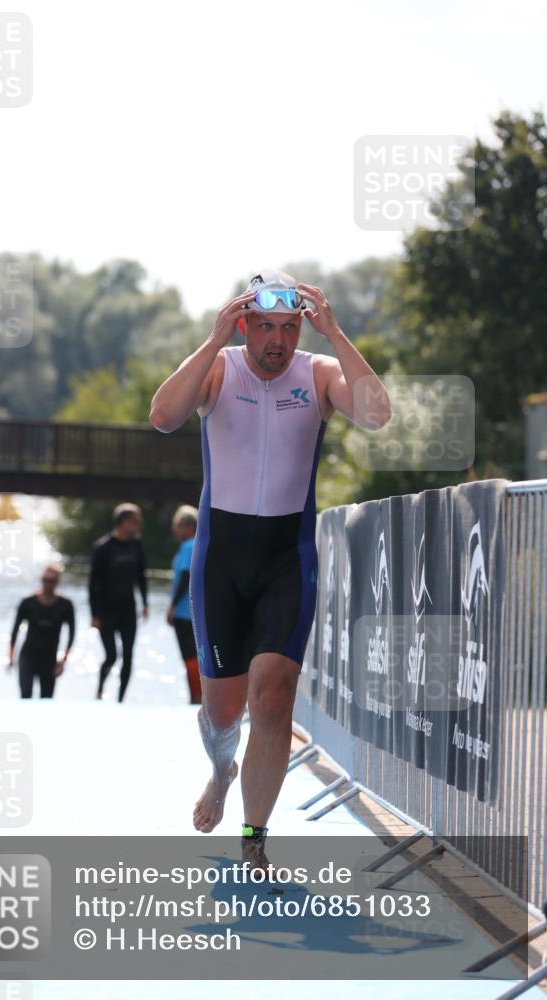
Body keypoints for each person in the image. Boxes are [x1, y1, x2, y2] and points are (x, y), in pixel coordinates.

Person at [150, 268, 391, 866]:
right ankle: (221, 769)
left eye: (289, 326)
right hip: (221, 560)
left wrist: (334, 334)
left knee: (274, 691)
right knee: (223, 710)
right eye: (265, 327)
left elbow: (378, 415)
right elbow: (162, 416)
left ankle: (254, 836)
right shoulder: (220, 367)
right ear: (245, 325)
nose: (278, 340)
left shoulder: (318, 373)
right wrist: (211, 341)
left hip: (288, 555)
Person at [89, 502, 149, 702]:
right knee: (112, 656)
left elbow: (141, 576)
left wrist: (145, 603)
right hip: (106, 610)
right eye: (135, 521)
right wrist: (94, 614)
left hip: (128, 609)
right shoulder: (104, 546)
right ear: (123, 522)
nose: (138, 525)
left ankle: (120, 699)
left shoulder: (137, 545)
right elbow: (93, 583)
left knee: (129, 655)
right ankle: (99, 690)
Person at [8, 564, 75, 698]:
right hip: (28, 656)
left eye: (51, 580)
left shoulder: (65, 605)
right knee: (26, 694)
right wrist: (10, 657)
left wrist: (62, 661)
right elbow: (14, 632)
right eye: (45, 580)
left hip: (50, 658)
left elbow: (72, 635)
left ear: (57, 582)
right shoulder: (27, 603)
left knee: (46, 699)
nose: (48, 584)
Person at [167, 505, 201, 705]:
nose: (175, 529)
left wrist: (172, 606)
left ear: (188, 526)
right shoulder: (193, 545)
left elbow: (186, 576)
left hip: (185, 612)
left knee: (190, 657)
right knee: (191, 656)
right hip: (190, 612)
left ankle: (196, 697)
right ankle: (195, 696)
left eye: (178, 525)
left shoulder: (189, 545)